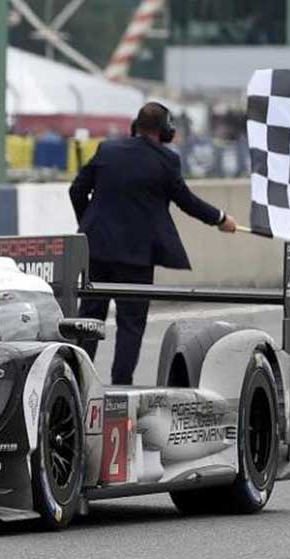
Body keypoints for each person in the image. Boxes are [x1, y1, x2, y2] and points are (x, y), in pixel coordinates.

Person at [69, 102, 237, 385]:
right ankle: (121, 385)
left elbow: (76, 190)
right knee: (130, 325)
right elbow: (187, 202)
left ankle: (76, 383)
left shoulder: (107, 150)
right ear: (166, 132)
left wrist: (88, 227)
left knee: (88, 319)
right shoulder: (166, 161)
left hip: (96, 251)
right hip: (136, 258)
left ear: (135, 126)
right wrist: (220, 219)